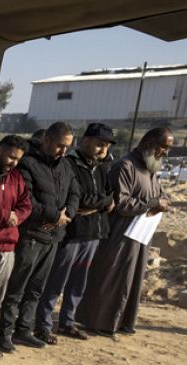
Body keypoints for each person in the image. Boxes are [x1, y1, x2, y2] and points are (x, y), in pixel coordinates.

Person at [77, 128, 174, 338]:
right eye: (163, 147)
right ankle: (99, 322)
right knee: (112, 279)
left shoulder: (150, 168)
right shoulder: (126, 166)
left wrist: (163, 201)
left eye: (168, 149)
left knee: (132, 279)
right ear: (149, 143)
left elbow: (158, 193)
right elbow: (122, 202)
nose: (165, 152)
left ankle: (122, 321)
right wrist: (154, 203)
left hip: (141, 234)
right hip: (121, 234)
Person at [0, 121, 80, 353]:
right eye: (61, 146)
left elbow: (75, 191)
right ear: (47, 141)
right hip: (30, 236)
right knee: (17, 287)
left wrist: (67, 214)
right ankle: (5, 333)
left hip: (53, 237)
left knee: (36, 288)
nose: (64, 151)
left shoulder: (65, 166)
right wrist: (54, 215)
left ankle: (24, 329)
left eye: (68, 147)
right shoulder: (28, 164)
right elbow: (27, 200)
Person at [35, 123, 116, 342]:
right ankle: (42, 323)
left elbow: (110, 198)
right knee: (56, 282)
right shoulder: (70, 164)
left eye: (106, 146)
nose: (102, 150)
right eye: (99, 144)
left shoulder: (102, 168)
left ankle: (67, 322)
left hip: (94, 234)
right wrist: (101, 203)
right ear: (86, 141)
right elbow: (77, 199)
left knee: (78, 283)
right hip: (72, 234)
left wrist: (99, 204)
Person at [0, 134, 31, 360]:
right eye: (11, 157)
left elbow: (25, 205)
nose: (14, 163)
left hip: (6, 248)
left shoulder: (17, 178)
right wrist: (5, 215)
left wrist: (17, 217)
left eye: (18, 159)